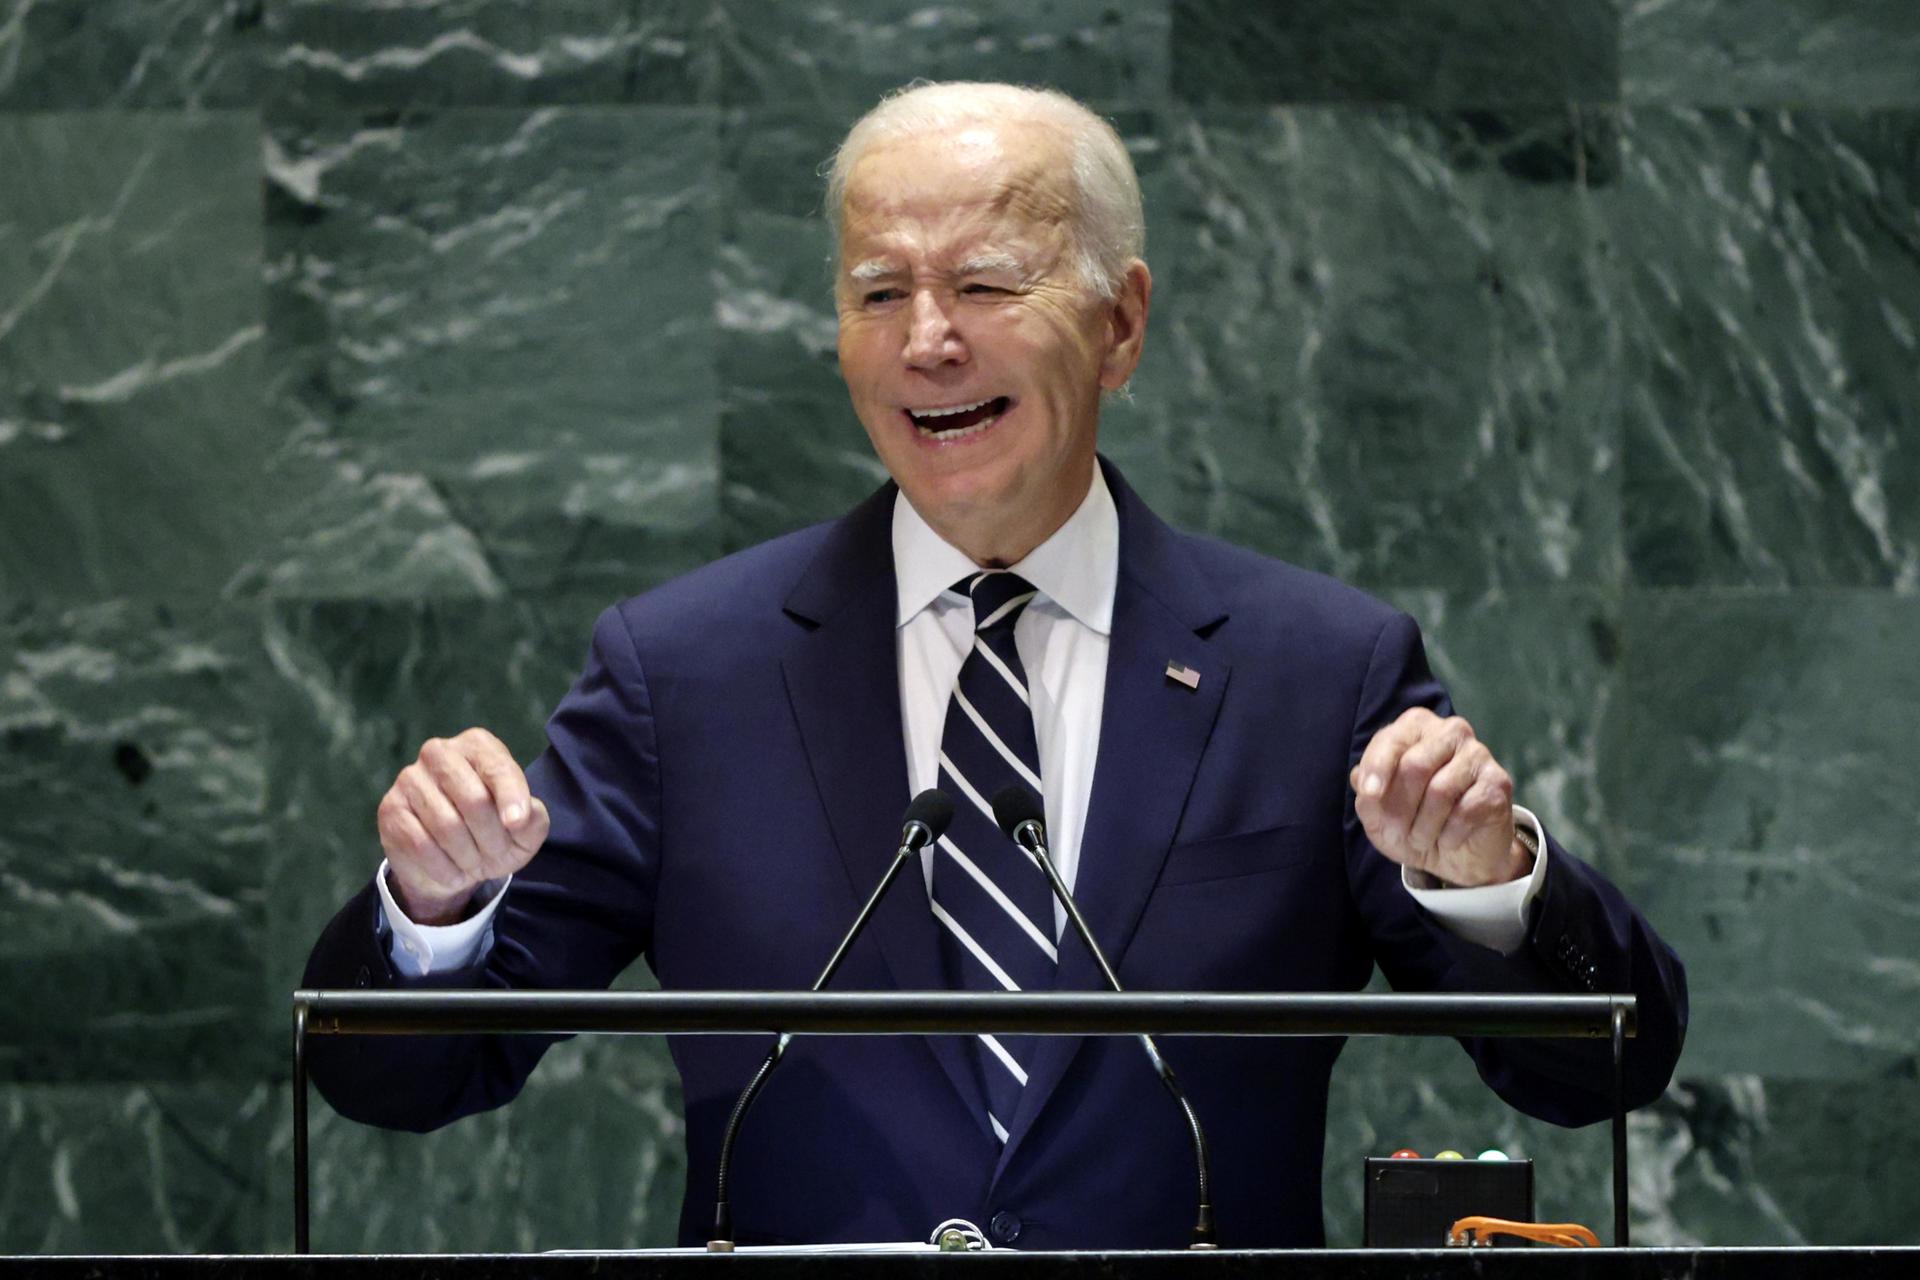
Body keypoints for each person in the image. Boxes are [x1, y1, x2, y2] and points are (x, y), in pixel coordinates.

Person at [304, 81, 1686, 1250]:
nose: (927, 341)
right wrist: (432, 914)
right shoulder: (687, 673)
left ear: (1122, 322)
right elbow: (407, 1078)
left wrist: (1491, 884)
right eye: (878, 292)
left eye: (983, 285)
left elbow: (1597, 1071)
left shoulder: (1317, 668)